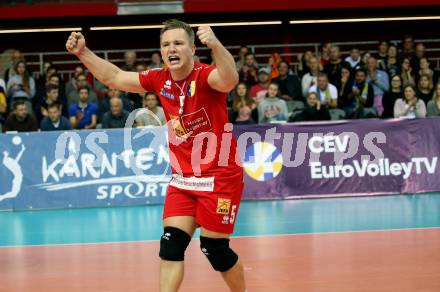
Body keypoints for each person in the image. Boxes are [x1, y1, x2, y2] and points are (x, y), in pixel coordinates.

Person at [66, 19, 246, 292]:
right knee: (171, 245)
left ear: (193, 48)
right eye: (165, 45)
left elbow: (230, 79)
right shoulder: (159, 78)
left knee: (215, 249)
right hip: (184, 178)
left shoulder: (205, 75)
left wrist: (216, 44)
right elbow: (114, 77)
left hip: (219, 176)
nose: (171, 49)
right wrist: (83, 53)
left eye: (178, 43)